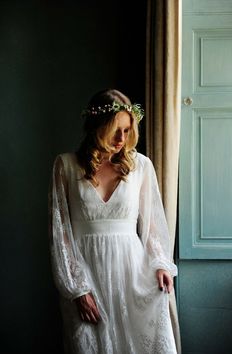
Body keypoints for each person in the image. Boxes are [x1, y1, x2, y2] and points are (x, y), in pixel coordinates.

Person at [49, 88, 178, 354]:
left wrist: (161, 264)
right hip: (86, 273)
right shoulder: (66, 165)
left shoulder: (141, 166)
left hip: (133, 274)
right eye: (115, 129)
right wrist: (77, 289)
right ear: (97, 126)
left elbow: (153, 224)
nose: (122, 138)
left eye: (128, 130)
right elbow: (59, 233)